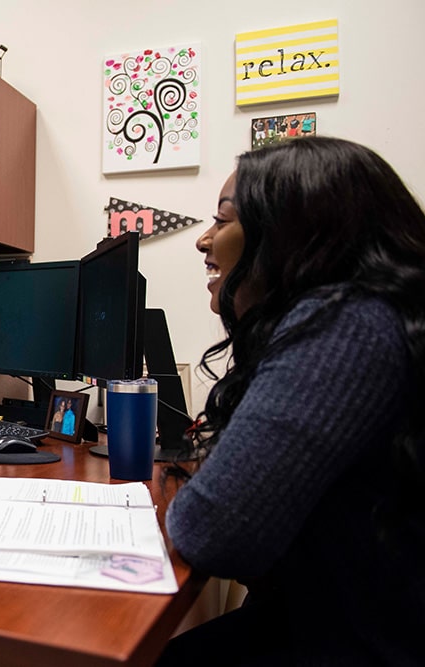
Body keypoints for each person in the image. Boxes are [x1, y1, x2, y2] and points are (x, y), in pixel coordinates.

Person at [158, 137, 425, 664]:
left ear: (287, 235)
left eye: (223, 219)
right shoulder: (372, 316)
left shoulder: (346, 323)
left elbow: (210, 532)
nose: (203, 241)